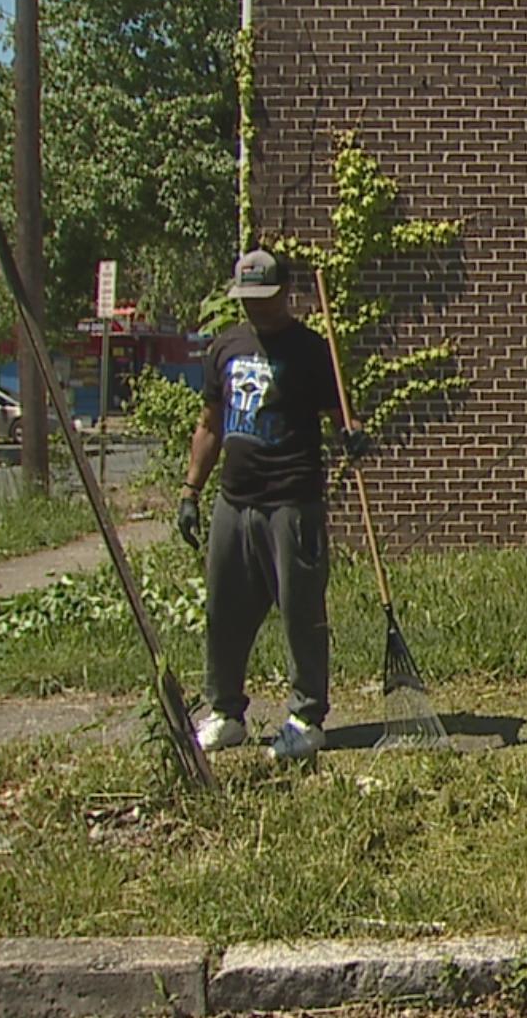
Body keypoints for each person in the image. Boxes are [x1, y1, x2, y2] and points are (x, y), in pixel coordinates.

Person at [177, 248, 367, 761]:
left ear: (285, 293)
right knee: (224, 611)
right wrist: (191, 490)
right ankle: (226, 712)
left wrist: (352, 436)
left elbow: (340, 415)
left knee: (301, 612)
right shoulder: (225, 346)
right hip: (234, 502)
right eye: (246, 299)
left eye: (264, 298)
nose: (255, 308)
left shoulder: (310, 350)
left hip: (292, 501)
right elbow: (210, 423)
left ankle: (306, 718)